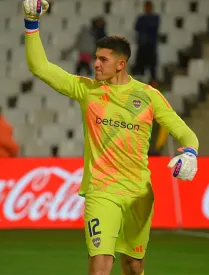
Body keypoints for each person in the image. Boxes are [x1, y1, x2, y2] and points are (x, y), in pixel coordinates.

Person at [22, 1, 199, 275]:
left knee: (134, 266)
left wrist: (190, 152)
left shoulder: (148, 96)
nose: (95, 64)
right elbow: (40, 68)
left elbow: (183, 131)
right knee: (100, 266)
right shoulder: (87, 90)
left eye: (103, 59)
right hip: (101, 191)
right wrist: (31, 26)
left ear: (121, 64)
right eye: (96, 57)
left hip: (139, 192)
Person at [133, 1, 160, 80]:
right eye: (146, 7)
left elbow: (153, 27)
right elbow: (137, 27)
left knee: (152, 67)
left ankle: (154, 83)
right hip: (142, 45)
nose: (147, 8)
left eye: (149, 7)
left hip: (151, 46)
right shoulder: (141, 18)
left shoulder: (155, 17)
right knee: (141, 66)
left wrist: (145, 26)